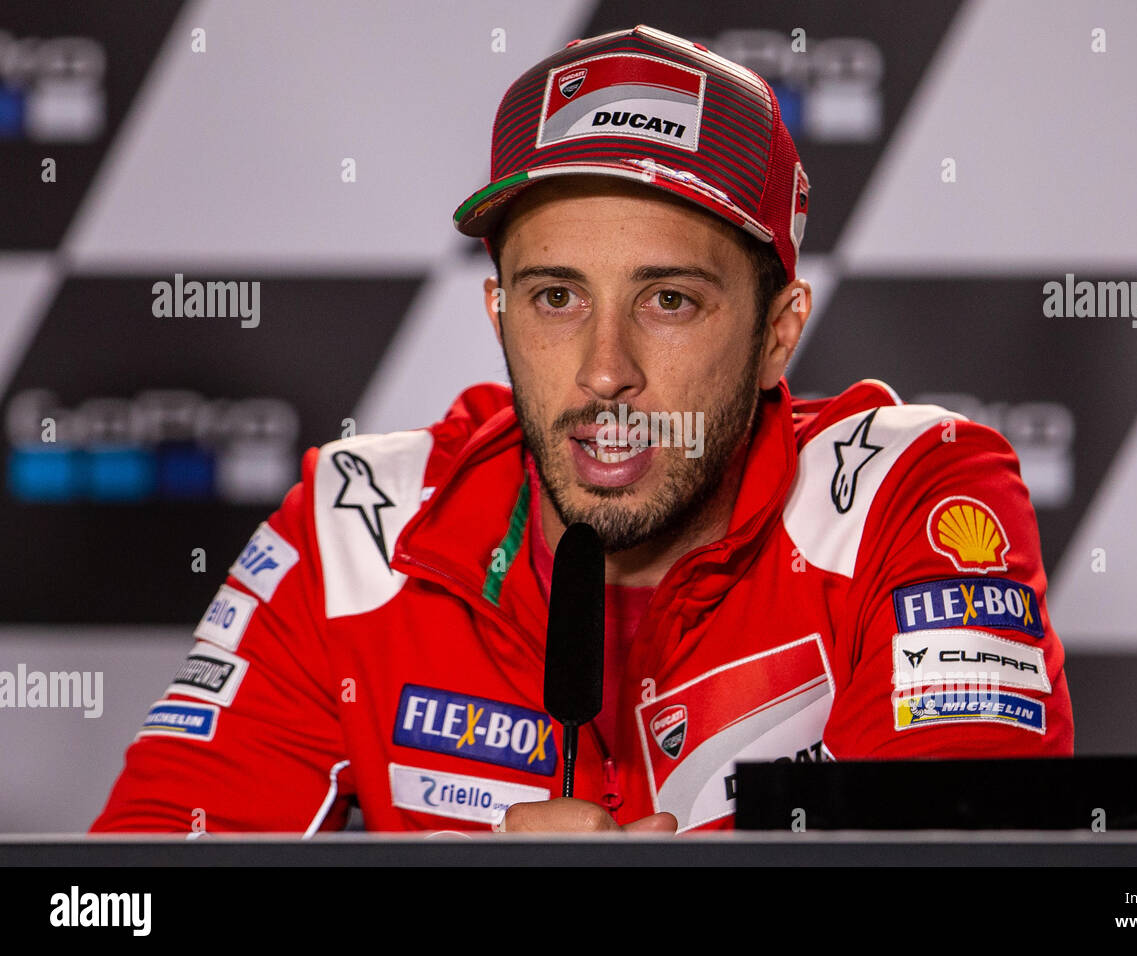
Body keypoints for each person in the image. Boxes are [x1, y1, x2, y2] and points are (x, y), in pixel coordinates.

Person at [91, 24, 1073, 835]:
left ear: (779, 334)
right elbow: (123, 905)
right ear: (498, 313)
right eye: (556, 295)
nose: (605, 370)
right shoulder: (353, 533)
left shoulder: (909, 495)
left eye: (670, 300)